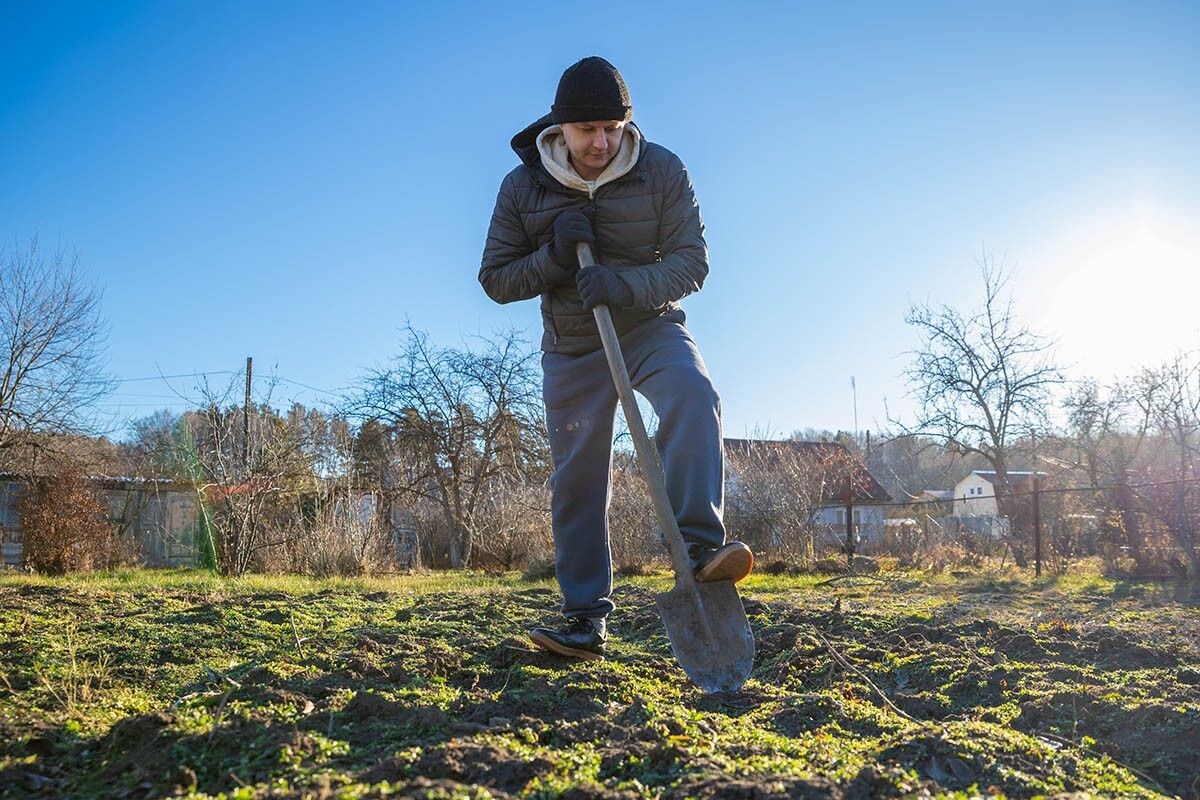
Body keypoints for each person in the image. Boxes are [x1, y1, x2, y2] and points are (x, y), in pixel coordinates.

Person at [479, 56, 752, 660]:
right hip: (573, 347)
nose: (601, 142)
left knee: (693, 395)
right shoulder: (523, 187)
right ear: (560, 129)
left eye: (613, 127)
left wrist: (623, 285)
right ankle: (583, 617)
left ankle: (702, 550)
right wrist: (553, 257)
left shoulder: (661, 170)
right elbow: (495, 279)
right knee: (579, 473)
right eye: (587, 131)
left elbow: (691, 263)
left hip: (649, 327)